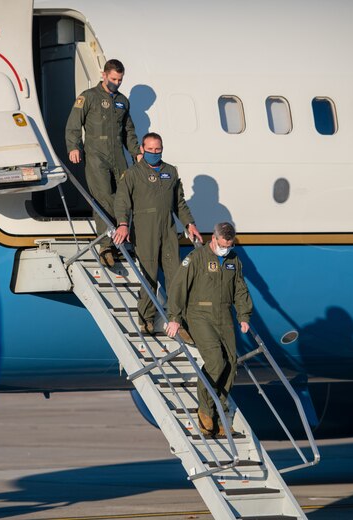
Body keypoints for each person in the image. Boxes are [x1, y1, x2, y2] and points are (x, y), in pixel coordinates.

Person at [166, 222, 253, 438]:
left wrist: (243, 316)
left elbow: (240, 290)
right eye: (224, 245)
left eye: (230, 246)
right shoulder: (196, 259)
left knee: (231, 364)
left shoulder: (234, 261)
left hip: (224, 315)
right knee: (216, 360)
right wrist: (174, 318)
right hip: (199, 314)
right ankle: (205, 410)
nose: (226, 249)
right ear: (214, 239)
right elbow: (179, 287)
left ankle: (221, 417)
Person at [113, 132, 203, 337]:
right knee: (149, 275)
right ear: (142, 149)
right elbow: (122, 201)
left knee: (176, 277)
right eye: (150, 149)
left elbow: (179, 203)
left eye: (158, 149)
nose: (154, 153)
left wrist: (190, 224)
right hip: (145, 230)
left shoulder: (170, 172)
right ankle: (146, 318)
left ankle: (177, 321)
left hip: (168, 230)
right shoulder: (133, 173)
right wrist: (123, 224)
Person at [65, 59, 141, 267]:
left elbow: (129, 131)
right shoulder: (88, 97)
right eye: (114, 79)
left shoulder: (122, 102)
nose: (117, 83)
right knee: (104, 197)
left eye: (120, 79)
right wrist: (74, 146)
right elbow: (73, 124)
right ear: (104, 75)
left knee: (125, 196)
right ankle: (106, 245)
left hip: (118, 155)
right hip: (96, 155)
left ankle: (124, 240)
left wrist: (136, 152)